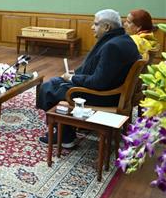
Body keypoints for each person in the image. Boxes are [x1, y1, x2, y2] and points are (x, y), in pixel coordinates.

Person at [37, 9, 140, 148]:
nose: (92, 27)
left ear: (107, 27)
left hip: (105, 96)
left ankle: (65, 136)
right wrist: (75, 76)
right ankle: (68, 126)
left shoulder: (112, 46)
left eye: (96, 24)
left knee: (48, 88)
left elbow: (99, 82)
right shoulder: (124, 39)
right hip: (115, 91)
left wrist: (73, 79)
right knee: (56, 83)